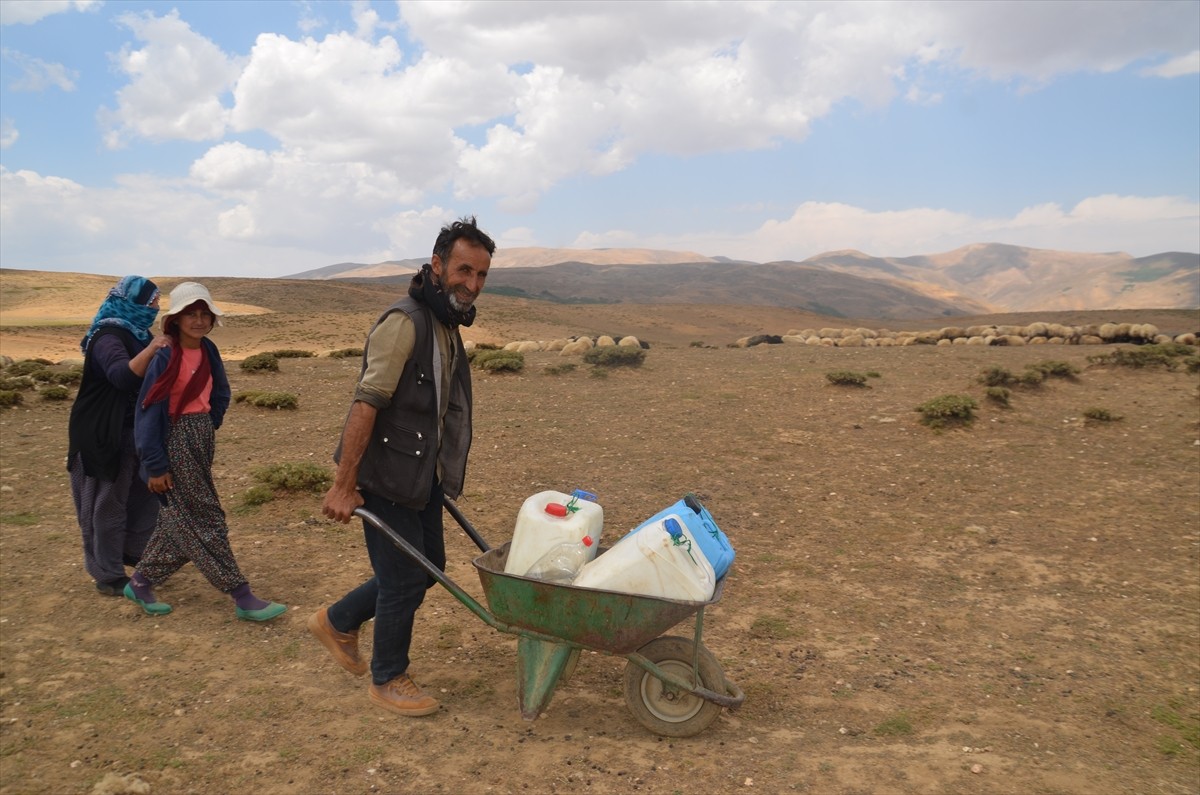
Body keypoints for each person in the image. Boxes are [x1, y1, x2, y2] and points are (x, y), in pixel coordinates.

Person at [309, 216, 494, 717]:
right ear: (437, 265)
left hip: (421, 477)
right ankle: (387, 676)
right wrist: (344, 484)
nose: (472, 284)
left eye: (480, 275)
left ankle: (337, 620)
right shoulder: (405, 322)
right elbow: (366, 402)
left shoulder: (445, 323)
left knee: (428, 568)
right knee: (403, 580)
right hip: (386, 477)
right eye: (463, 270)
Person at [124, 282, 286, 622]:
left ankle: (140, 581)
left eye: (204, 314)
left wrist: (209, 422)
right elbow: (148, 410)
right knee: (205, 517)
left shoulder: (208, 349)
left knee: (180, 518)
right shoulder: (165, 356)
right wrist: (155, 465)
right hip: (174, 441)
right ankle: (241, 595)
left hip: (199, 438)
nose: (198, 320)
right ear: (176, 319)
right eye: (190, 314)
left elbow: (221, 392)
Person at [68, 275, 173, 596]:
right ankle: (108, 573)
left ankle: (132, 553)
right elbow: (120, 377)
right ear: (132, 302)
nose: (155, 309)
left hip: (137, 430)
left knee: (144, 498)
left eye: (156, 303)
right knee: (107, 503)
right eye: (151, 302)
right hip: (104, 432)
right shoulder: (107, 335)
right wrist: (153, 348)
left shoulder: (138, 333)